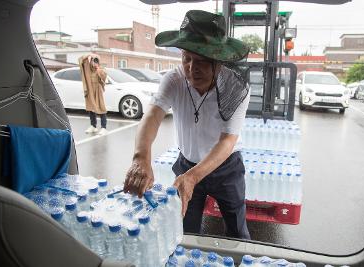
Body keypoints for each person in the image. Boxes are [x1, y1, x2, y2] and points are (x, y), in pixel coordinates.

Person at [124, 10, 251, 239]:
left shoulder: (236, 87)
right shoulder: (173, 79)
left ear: (219, 61)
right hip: (186, 162)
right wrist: (140, 157)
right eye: (187, 58)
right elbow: (152, 115)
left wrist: (194, 176)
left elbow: (228, 139)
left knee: (236, 227)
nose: (192, 68)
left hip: (225, 166)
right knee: (184, 228)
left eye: (202, 61)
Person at [79, 54, 108, 135]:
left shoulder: (101, 69)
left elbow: (104, 77)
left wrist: (98, 68)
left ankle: (103, 127)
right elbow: (80, 60)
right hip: (90, 90)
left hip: (98, 91)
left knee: (101, 108)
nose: (94, 62)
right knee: (91, 108)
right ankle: (93, 126)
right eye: (93, 60)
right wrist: (89, 55)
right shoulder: (87, 70)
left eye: (96, 60)